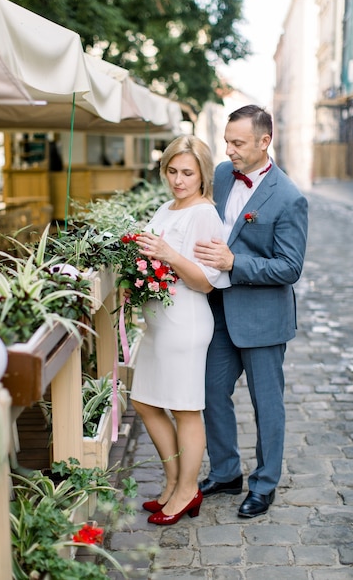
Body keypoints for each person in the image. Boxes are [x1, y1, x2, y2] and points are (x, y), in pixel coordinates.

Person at [194, 105, 308, 518]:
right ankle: (225, 472)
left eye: (237, 143)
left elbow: (290, 267)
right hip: (219, 309)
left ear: (265, 142)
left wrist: (233, 263)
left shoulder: (290, 197)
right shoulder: (222, 175)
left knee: (266, 404)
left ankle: (264, 485)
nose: (229, 150)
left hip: (262, 319)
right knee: (209, 391)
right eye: (226, 141)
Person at [130, 135, 230, 526]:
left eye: (187, 172)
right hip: (159, 322)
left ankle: (188, 490)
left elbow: (206, 281)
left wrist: (169, 255)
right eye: (172, 171)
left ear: (203, 174)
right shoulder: (166, 207)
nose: (178, 180)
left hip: (185, 321)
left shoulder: (204, 214)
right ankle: (174, 482)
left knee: (185, 410)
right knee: (144, 401)